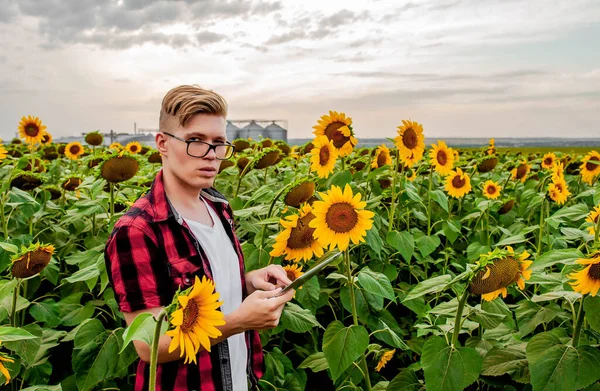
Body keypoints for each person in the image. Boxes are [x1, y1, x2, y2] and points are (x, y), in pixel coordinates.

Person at [104, 85, 295, 391]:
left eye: (218, 143)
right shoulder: (138, 231)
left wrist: (247, 282)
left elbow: (205, 292)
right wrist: (239, 322)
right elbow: (151, 346)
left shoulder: (218, 207)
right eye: (195, 141)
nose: (210, 155)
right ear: (163, 144)